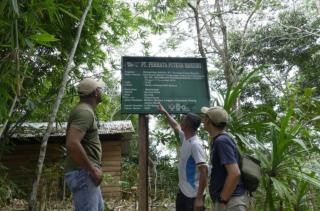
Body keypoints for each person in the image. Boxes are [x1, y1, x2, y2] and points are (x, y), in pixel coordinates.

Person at [64, 78, 106, 211]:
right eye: (99, 89)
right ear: (95, 93)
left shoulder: (85, 110)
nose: (101, 91)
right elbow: (72, 143)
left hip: (85, 173)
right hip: (84, 173)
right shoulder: (85, 112)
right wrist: (92, 170)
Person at [158, 104, 208, 211]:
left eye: (184, 120)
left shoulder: (195, 145)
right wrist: (165, 112)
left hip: (193, 195)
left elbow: (204, 172)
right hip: (183, 191)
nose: (181, 120)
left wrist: (199, 199)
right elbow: (175, 126)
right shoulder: (185, 137)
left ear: (188, 125)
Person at [201, 106, 249, 211]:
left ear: (208, 120)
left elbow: (234, 173)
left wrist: (223, 200)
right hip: (230, 200)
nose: (203, 120)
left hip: (231, 202)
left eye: (205, 117)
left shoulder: (221, 141)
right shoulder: (221, 139)